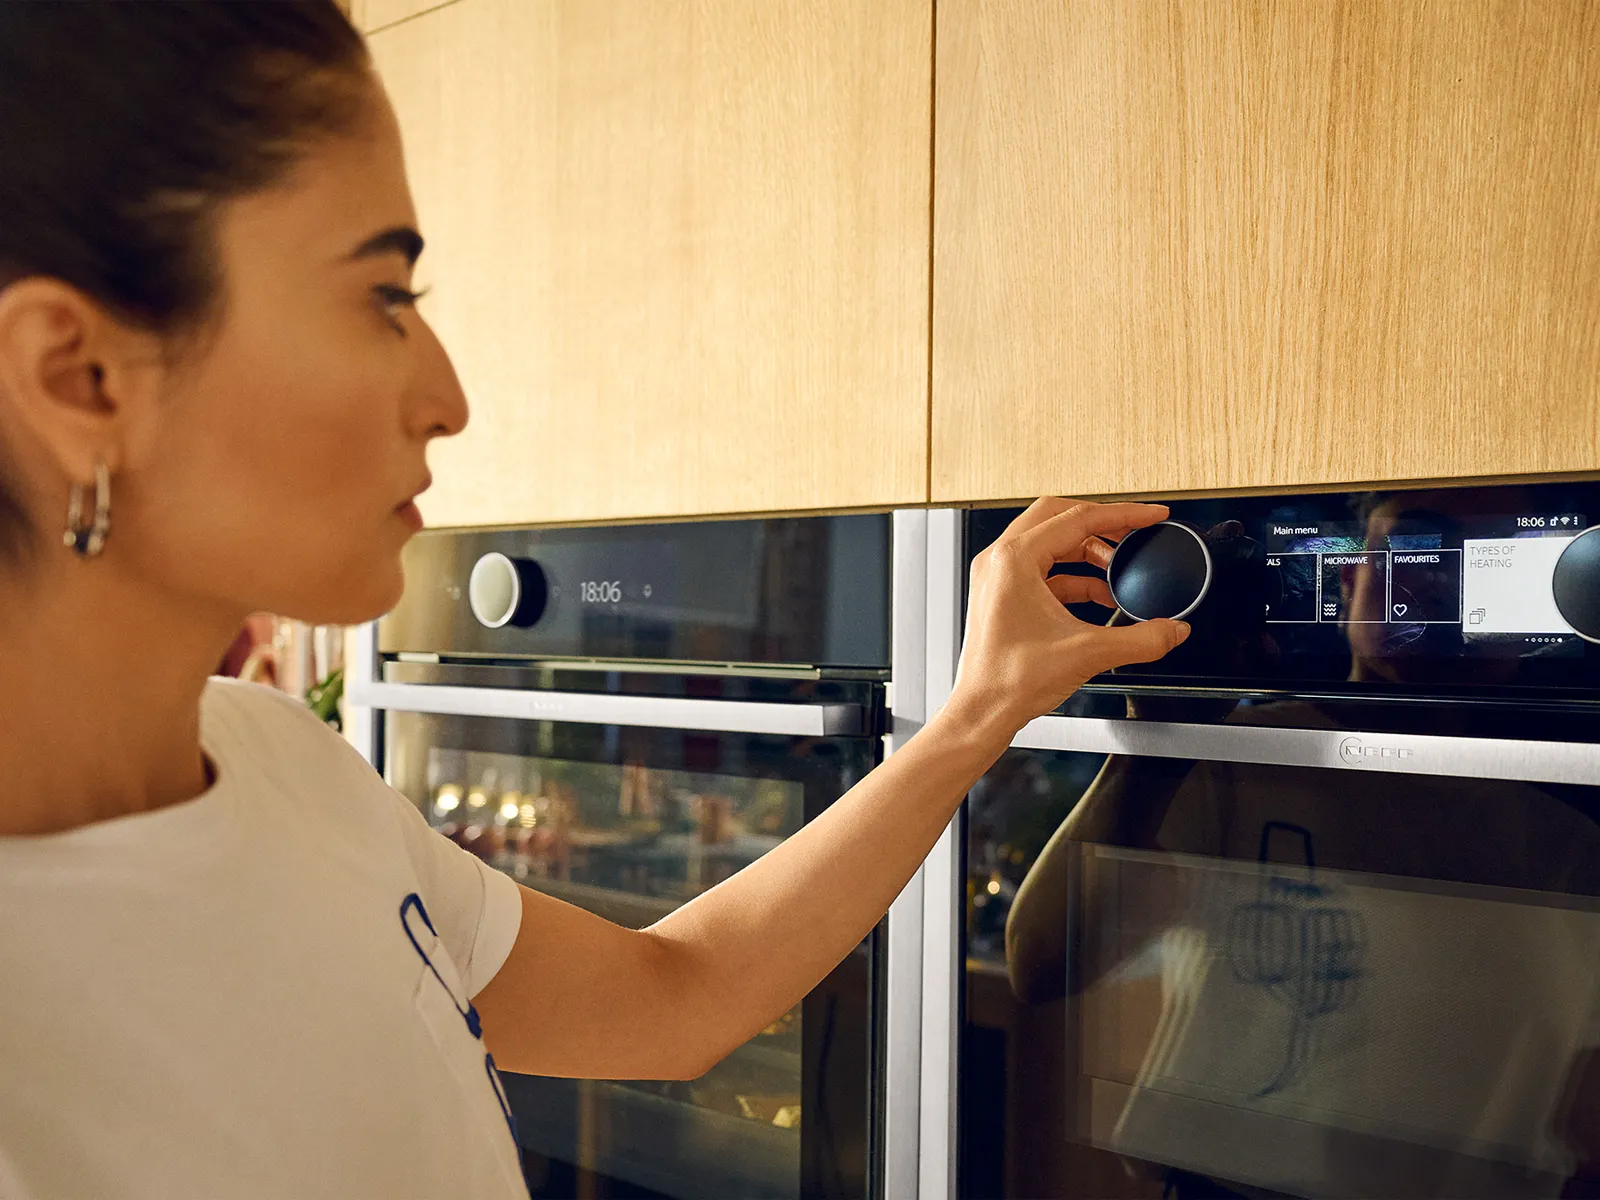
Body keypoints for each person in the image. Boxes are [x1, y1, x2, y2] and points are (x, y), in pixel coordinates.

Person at [0, 5, 1190, 1197]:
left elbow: (675, 996)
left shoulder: (281, 765)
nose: (448, 395)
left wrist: (974, 713)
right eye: (382, 297)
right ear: (80, 375)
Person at [1005, 491, 1600, 1198]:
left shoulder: (1567, 824)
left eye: (1481, 557)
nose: (1439, 583)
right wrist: (1152, 744)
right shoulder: (1238, 758)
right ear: (1346, 580)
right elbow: (1041, 964)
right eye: (1412, 548)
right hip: (1215, 1184)